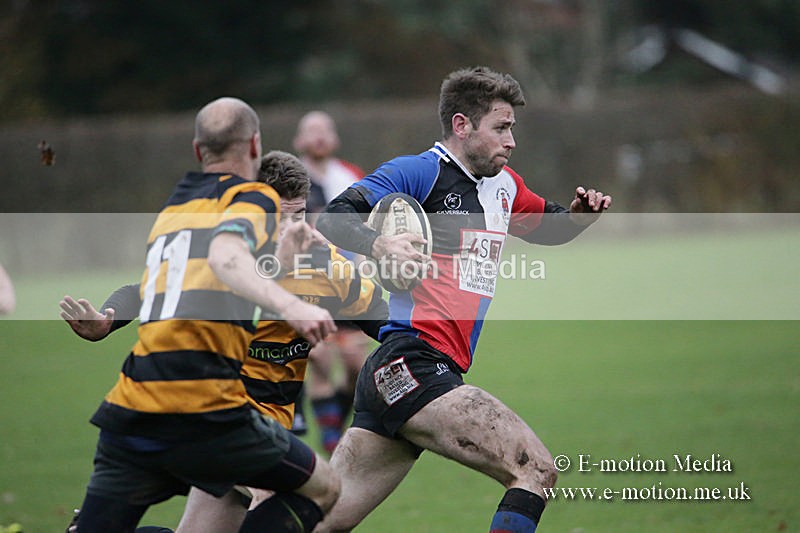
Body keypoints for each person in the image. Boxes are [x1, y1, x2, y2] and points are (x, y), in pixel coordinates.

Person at [313, 66, 612, 532]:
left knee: (324, 522)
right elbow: (333, 217)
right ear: (461, 125)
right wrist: (378, 243)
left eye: (512, 128)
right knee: (534, 470)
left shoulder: (505, 187)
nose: (511, 140)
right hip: (414, 362)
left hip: (398, 374)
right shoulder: (419, 171)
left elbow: (547, 228)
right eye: (501, 127)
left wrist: (577, 219)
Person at [61, 150, 388, 533]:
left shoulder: (326, 264)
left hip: (273, 416)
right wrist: (107, 320)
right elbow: (142, 291)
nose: (291, 228)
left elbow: (377, 315)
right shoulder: (223, 257)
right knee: (288, 493)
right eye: (278, 217)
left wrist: (412, 344)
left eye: (299, 215)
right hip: (222, 408)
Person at [292, 110, 371, 453]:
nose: (320, 136)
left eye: (326, 130)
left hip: (346, 281)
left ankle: (334, 417)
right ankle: (329, 441)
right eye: (312, 131)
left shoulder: (351, 175)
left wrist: (366, 266)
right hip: (306, 284)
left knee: (357, 366)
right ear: (299, 140)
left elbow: (367, 226)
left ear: (335, 138)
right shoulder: (289, 177)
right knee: (320, 358)